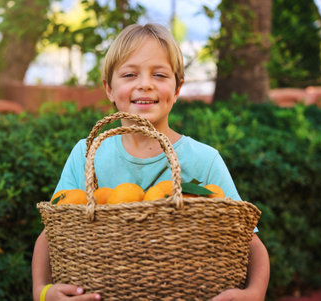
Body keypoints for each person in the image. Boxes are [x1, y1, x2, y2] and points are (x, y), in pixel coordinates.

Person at [32, 23, 270, 301]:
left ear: (178, 87)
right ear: (109, 88)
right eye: (130, 74)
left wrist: (254, 293)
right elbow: (53, 231)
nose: (145, 84)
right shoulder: (87, 155)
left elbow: (248, 240)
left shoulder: (203, 161)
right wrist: (42, 291)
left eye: (159, 74)